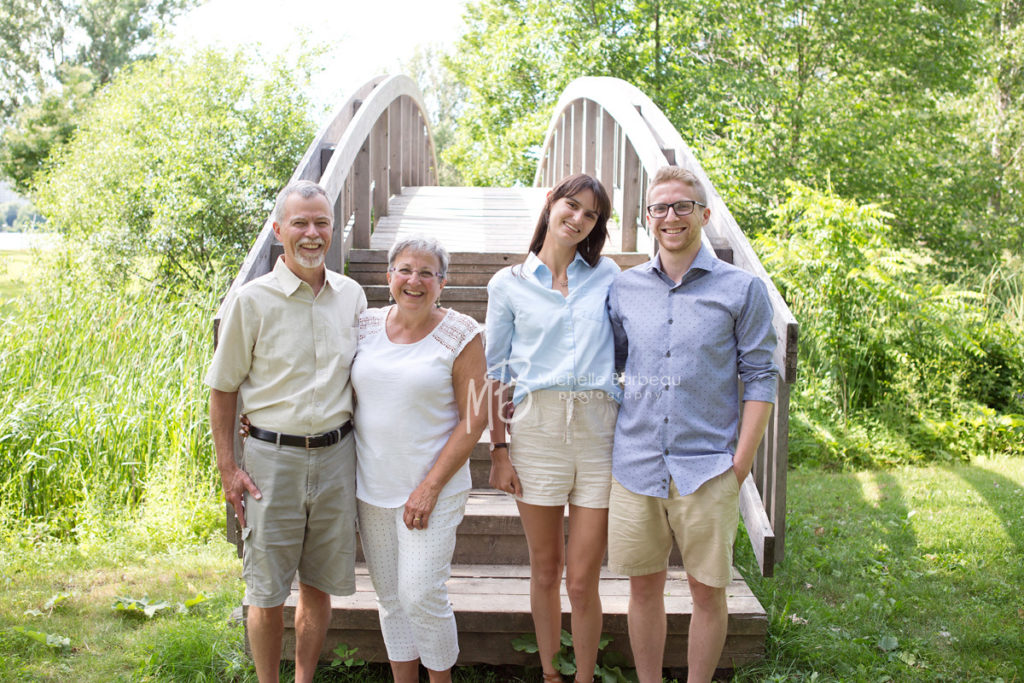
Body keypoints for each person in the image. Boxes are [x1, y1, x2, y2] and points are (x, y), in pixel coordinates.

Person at [606, 166, 779, 683]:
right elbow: (612, 362)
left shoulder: (742, 290)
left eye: (682, 206)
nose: (670, 217)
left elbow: (762, 377)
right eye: (660, 208)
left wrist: (740, 464)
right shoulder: (624, 287)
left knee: (708, 591)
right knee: (642, 587)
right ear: (649, 218)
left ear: (704, 214)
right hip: (635, 465)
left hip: (708, 467)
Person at [206, 180, 366, 683]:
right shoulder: (252, 301)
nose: (312, 233)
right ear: (279, 231)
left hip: (338, 455)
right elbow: (223, 387)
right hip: (271, 460)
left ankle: (304, 679)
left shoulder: (352, 296)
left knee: (319, 584)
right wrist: (228, 467)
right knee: (266, 590)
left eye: (321, 222)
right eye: (300, 222)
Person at [485, 173, 621, 683]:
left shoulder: (608, 275)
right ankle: (550, 674)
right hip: (537, 430)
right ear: (551, 203)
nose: (579, 219)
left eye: (591, 215)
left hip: (599, 429)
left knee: (583, 579)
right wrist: (499, 449)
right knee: (546, 569)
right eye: (572, 206)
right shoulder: (509, 284)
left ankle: (584, 676)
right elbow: (496, 370)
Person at [351, 235, 488, 683]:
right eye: (405, 270)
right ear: (389, 276)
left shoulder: (461, 333)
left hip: (435, 485)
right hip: (372, 485)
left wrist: (429, 486)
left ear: (442, 283)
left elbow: (475, 416)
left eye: (427, 272)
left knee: (421, 594)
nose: (415, 280)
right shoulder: (365, 326)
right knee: (390, 598)